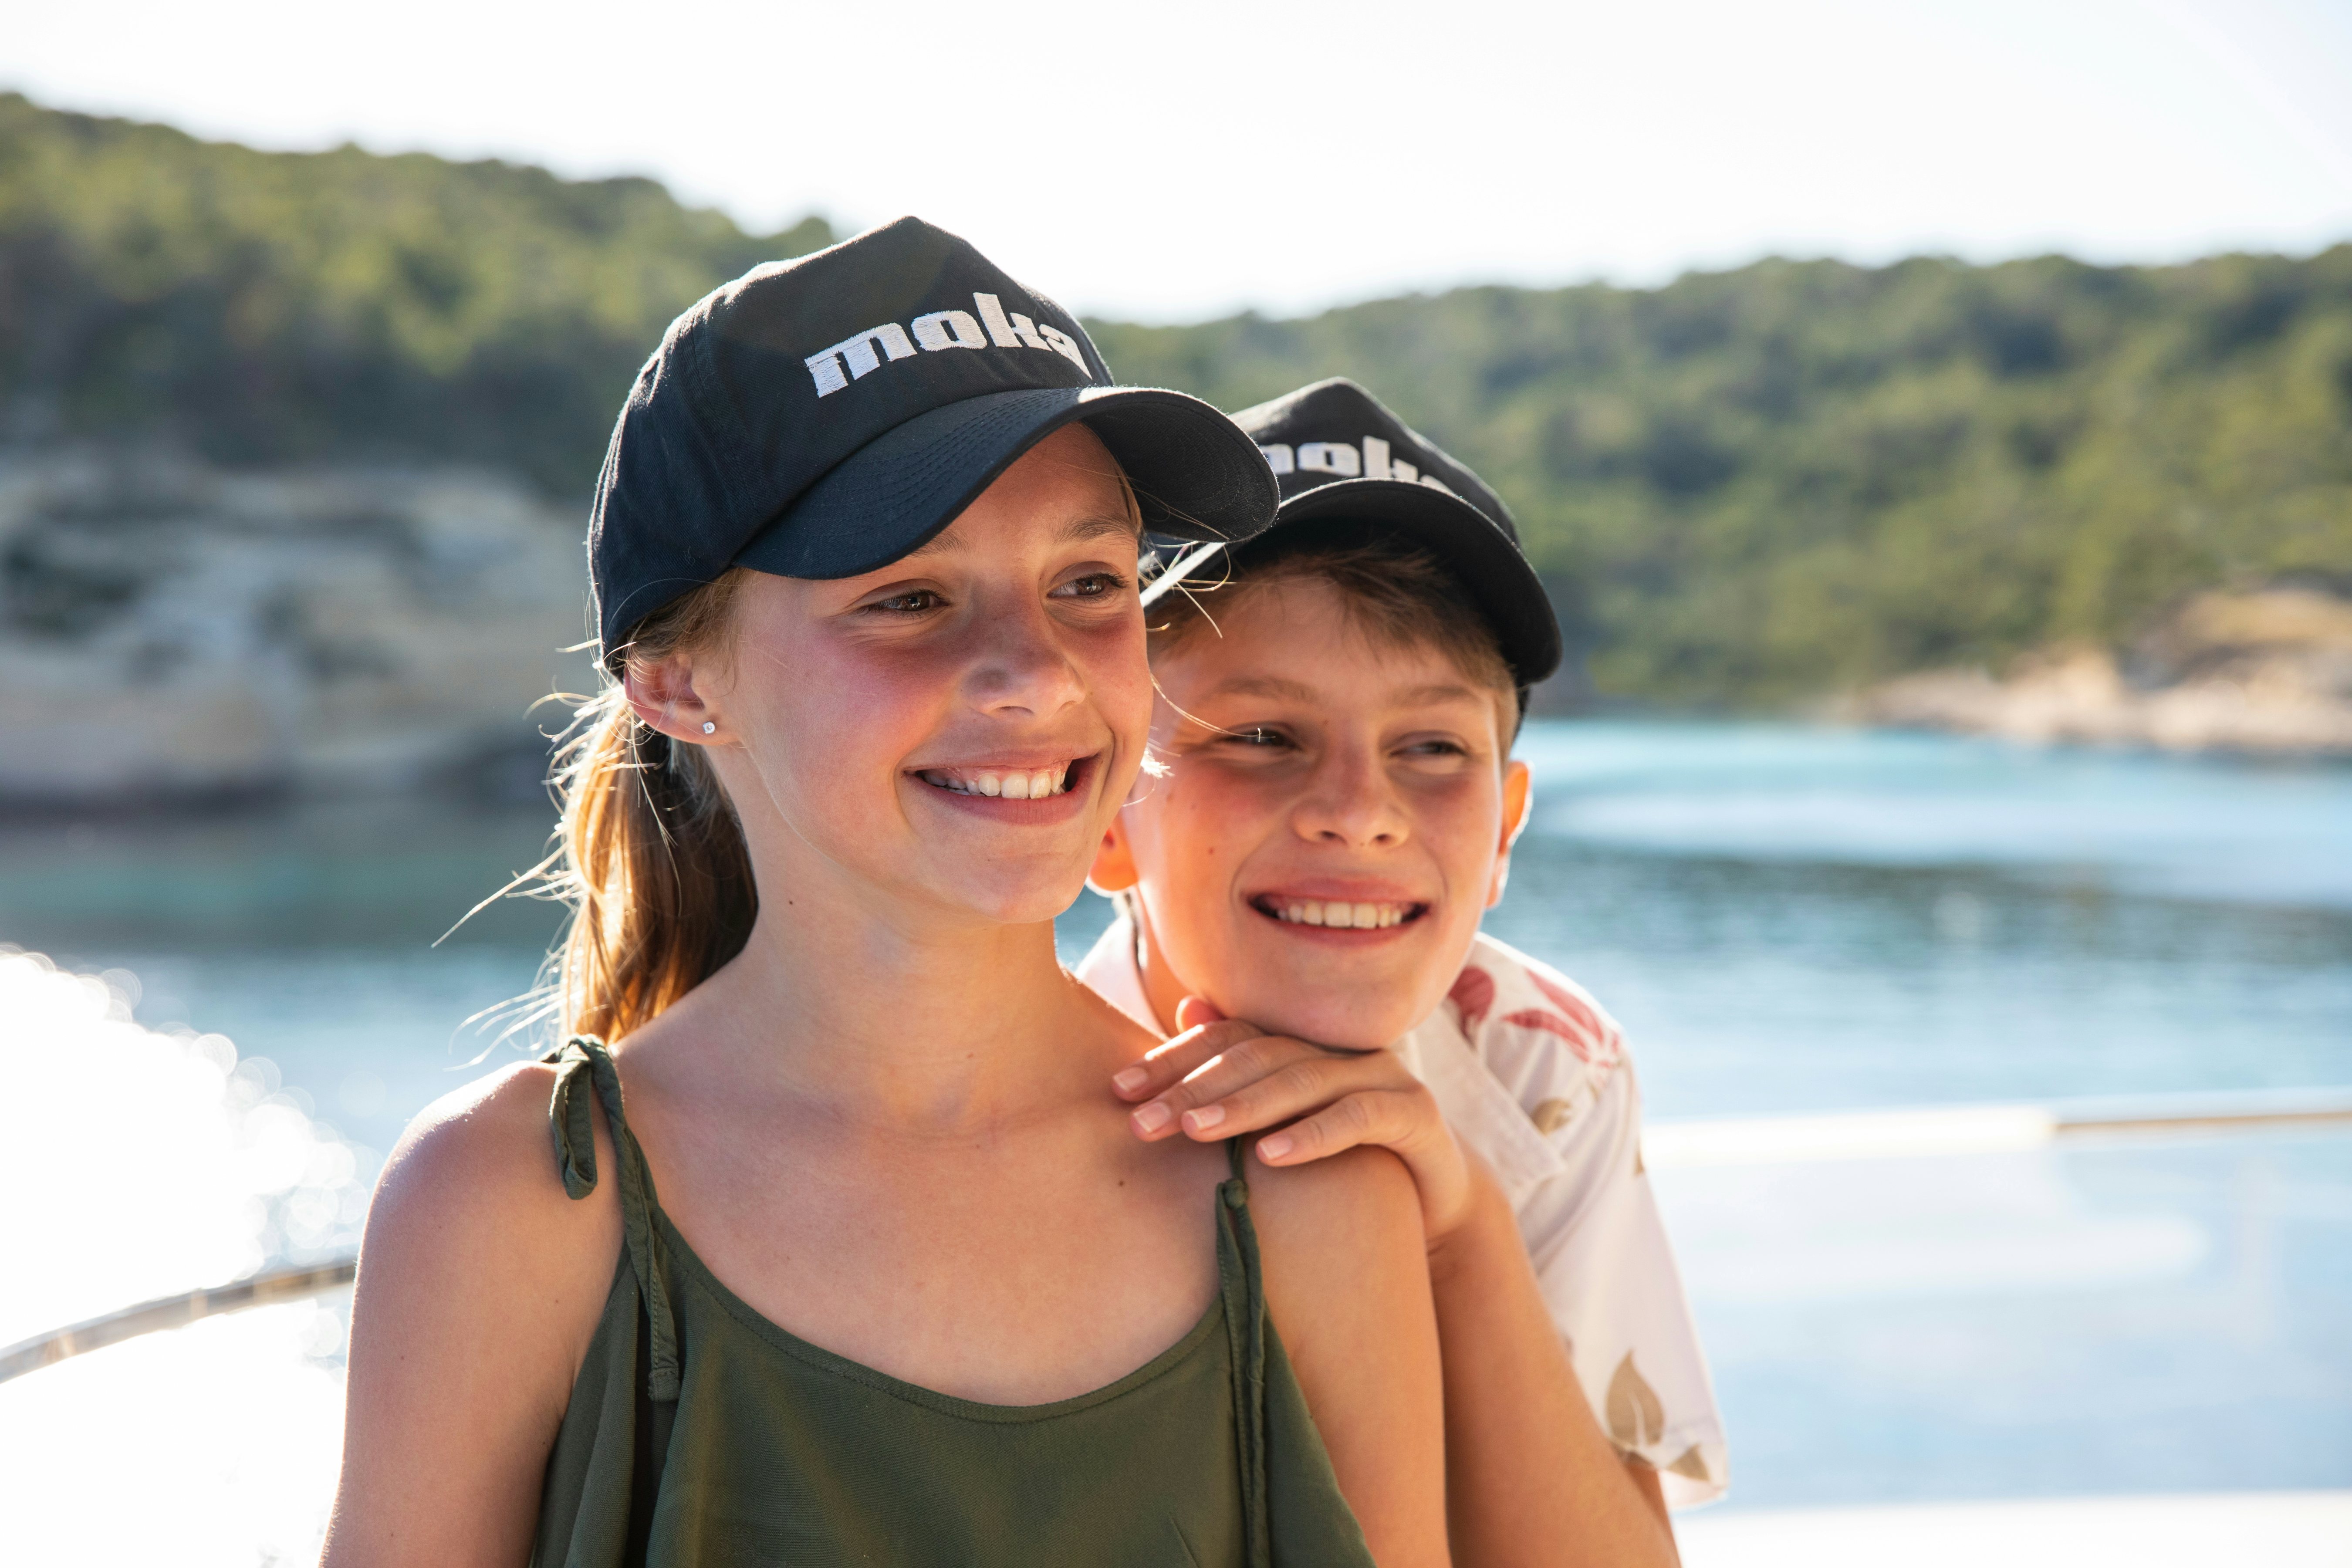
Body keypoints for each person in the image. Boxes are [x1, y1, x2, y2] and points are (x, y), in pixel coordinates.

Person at [322, 225, 1450, 1567]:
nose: (1037, 673)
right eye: (911, 597)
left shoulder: (1308, 1196)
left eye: (1090, 584)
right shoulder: (514, 1205)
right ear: (680, 681)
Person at [1081, 379, 1727, 1566]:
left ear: (1504, 833)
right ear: (1108, 812)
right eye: (1262, 738)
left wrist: (1464, 1223)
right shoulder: (1022, 1084)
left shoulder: (1543, 1063)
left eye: (1431, 748)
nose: (1359, 811)